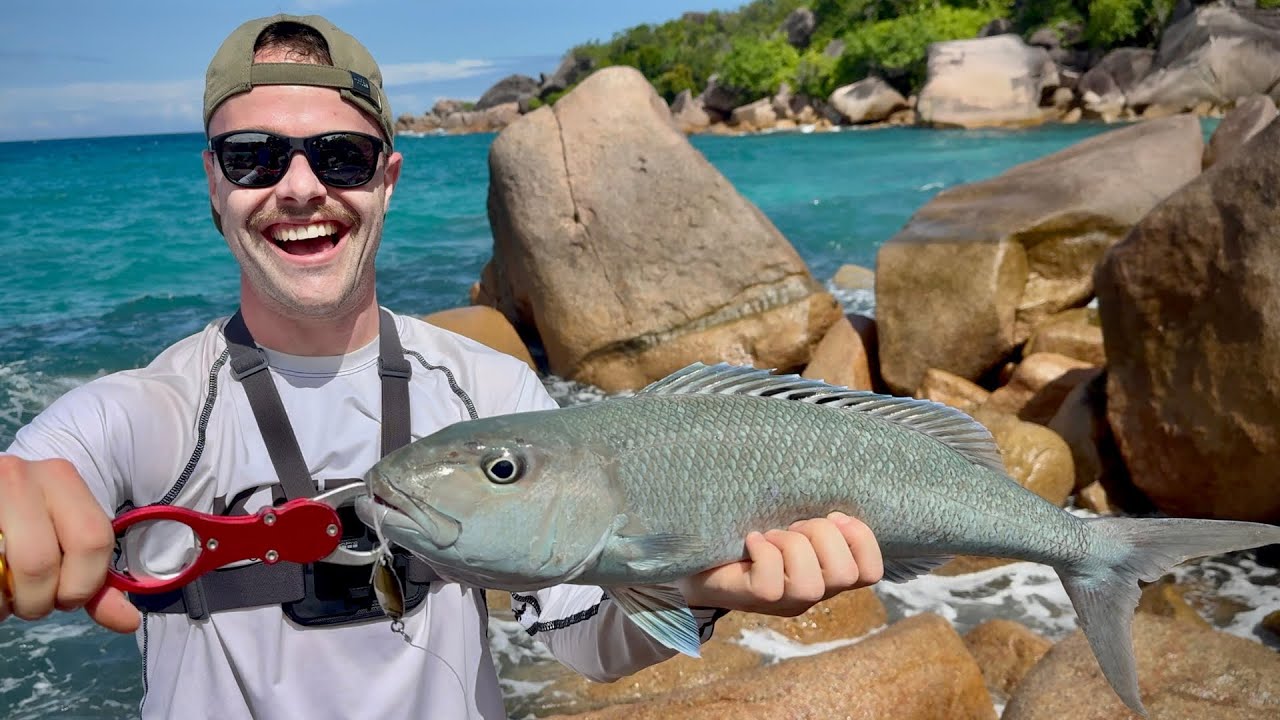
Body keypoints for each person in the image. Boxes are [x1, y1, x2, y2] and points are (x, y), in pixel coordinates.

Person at [0, 14, 883, 719]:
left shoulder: (488, 389)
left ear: (387, 178)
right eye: (254, 157)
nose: (300, 187)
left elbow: (582, 641)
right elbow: (45, 470)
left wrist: (696, 591)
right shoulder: (141, 411)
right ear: (213, 183)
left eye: (340, 156)